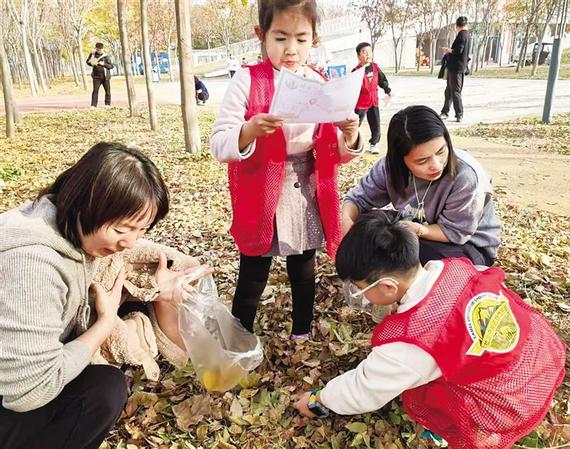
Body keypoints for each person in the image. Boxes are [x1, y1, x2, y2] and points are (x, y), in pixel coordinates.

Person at [294, 210, 566, 449]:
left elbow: (364, 389)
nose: (358, 295)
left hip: (504, 401)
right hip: (535, 356)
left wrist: (319, 400)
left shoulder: (412, 344)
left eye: (359, 289)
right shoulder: (452, 267)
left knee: (422, 393)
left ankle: (457, 429)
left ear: (388, 287)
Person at [0, 142, 209, 449]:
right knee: (104, 391)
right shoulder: (33, 266)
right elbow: (27, 391)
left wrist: (154, 287)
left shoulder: (65, 223)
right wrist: (104, 325)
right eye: (123, 229)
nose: (130, 243)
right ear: (85, 204)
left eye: (141, 230)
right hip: (17, 391)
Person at [210, 0, 363, 339]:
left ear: (314, 39)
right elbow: (219, 143)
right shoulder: (248, 80)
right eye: (280, 38)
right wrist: (248, 130)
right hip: (262, 189)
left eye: (301, 39)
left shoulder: (320, 82)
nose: (291, 49)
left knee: (303, 267)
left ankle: (301, 332)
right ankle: (239, 337)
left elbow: (334, 152)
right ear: (261, 35)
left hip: (306, 187)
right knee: (254, 269)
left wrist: (350, 135)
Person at [342, 105, 501, 267]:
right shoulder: (389, 167)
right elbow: (357, 200)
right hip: (415, 228)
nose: (436, 165)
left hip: (467, 245)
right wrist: (347, 223)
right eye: (422, 161)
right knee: (366, 226)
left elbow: (456, 232)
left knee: (403, 257)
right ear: (400, 159)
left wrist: (418, 230)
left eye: (441, 152)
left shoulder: (465, 176)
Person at [353, 42, 392, 155]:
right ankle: (353, 143)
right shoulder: (356, 71)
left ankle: (374, 144)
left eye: (369, 52)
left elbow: (382, 80)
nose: (368, 54)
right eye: (364, 52)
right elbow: (351, 88)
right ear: (359, 56)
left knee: (376, 124)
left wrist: (387, 90)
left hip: (373, 101)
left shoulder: (375, 67)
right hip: (361, 103)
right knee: (355, 124)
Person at [440, 16, 470, 122]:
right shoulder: (467, 34)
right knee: (449, 90)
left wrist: (448, 50)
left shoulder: (462, 35)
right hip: (457, 67)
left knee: (455, 91)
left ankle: (459, 114)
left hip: (456, 67)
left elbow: (458, 50)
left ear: (457, 25)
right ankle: (445, 112)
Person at [86, 42, 114, 109]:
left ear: (102, 49)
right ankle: (93, 105)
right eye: (97, 49)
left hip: (105, 76)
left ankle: (107, 104)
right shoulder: (92, 54)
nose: (99, 51)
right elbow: (88, 62)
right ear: (96, 48)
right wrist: (95, 62)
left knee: (107, 91)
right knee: (95, 91)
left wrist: (104, 64)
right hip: (96, 76)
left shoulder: (106, 56)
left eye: (100, 49)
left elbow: (111, 66)